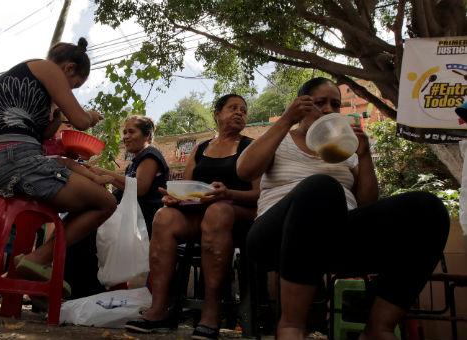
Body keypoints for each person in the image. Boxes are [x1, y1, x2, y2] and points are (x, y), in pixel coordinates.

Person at [236, 77, 450, 339]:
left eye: (335, 104)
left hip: (336, 237)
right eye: (319, 103)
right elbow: (245, 170)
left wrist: (364, 155)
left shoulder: (346, 151)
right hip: (275, 236)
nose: (328, 109)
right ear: (302, 106)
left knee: (428, 209)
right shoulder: (281, 137)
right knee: (321, 188)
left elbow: (367, 204)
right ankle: (291, 325)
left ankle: (377, 328)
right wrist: (284, 120)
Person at [0, 37, 116, 294]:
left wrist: (56, 116)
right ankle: (38, 260)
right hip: (16, 159)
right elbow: (81, 121)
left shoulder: (23, 81)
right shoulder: (47, 68)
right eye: (75, 85)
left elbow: (43, 136)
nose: (72, 89)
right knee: (105, 202)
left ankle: (34, 275)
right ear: (69, 68)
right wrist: (91, 117)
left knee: (80, 191)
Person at [125, 94, 260, 340]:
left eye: (243, 109)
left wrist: (227, 194)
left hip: (237, 215)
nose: (240, 113)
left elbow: (259, 193)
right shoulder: (201, 148)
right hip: (200, 213)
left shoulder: (251, 146)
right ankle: (159, 309)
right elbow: (187, 188)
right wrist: (175, 198)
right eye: (233, 108)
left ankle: (211, 311)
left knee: (218, 211)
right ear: (217, 114)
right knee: (163, 217)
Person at [86, 115, 169, 235]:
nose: (126, 137)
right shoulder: (132, 165)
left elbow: (139, 188)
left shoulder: (150, 154)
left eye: (131, 132)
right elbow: (120, 195)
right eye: (124, 132)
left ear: (147, 135)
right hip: (129, 217)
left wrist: (103, 172)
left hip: (142, 224)